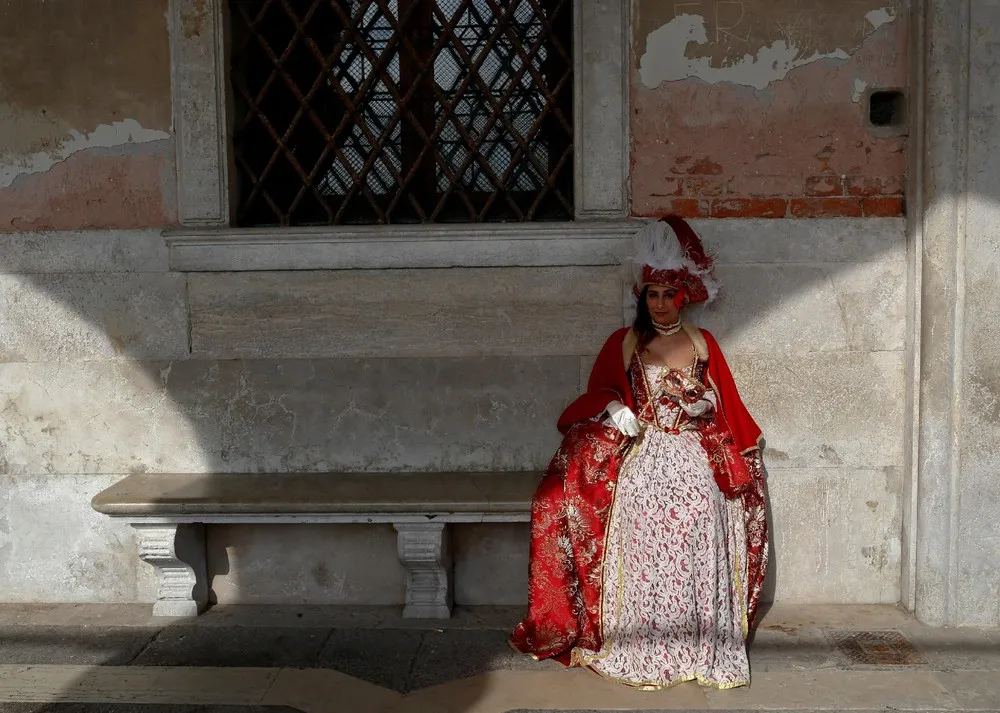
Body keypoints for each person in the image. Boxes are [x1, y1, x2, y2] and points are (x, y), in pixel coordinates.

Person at [509, 215, 769, 690]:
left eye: (668, 294)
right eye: (653, 294)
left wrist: (702, 404)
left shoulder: (702, 343)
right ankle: (640, 634)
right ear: (642, 296)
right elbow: (598, 392)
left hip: (692, 446)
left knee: (701, 506)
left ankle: (697, 635)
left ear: (683, 295)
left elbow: (726, 402)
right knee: (641, 504)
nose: (661, 303)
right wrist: (614, 408)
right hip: (642, 446)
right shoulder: (625, 341)